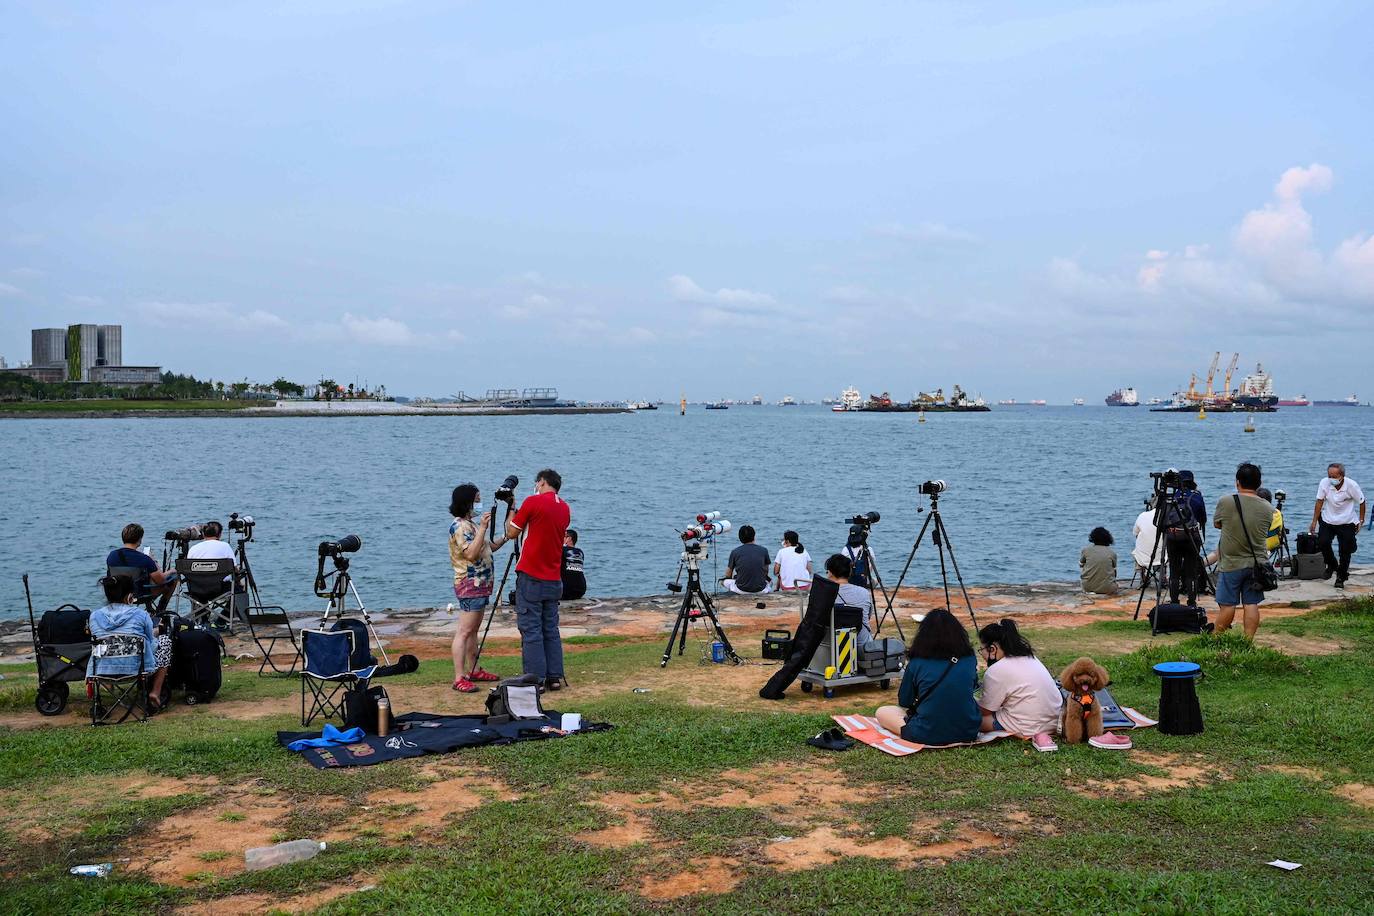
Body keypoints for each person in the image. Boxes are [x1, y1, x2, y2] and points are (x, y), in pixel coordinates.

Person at [506, 468, 571, 690]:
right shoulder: (564, 508)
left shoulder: (533, 502)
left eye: (537, 483)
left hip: (531, 575)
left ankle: (535, 679)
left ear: (542, 482)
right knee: (550, 628)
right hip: (554, 577)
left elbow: (512, 532)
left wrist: (512, 510)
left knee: (531, 628)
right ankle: (554, 676)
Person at [875, 608, 980, 746]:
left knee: (882, 711)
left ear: (923, 635)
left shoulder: (917, 662)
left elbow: (905, 701)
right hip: (968, 732)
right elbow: (971, 688)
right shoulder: (969, 658)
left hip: (925, 734)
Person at [448, 483, 510, 693]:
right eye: (476, 499)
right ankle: (459, 677)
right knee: (464, 631)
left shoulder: (471, 525)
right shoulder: (460, 527)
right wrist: (483, 527)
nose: (479, 502)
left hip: (481, 584)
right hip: (470, 583)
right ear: (466, 502)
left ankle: (474, 669)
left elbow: (487, 547)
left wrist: (506, 537)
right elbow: (471, 554)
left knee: (473, 630)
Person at [1212, 462, 1276, 639]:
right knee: (1251, 603)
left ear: (1237, 482)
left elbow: (1217, 524)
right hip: (1257, 564)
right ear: (1259, 483)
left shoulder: (1226, 501)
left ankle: (1216, 639)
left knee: (1227, 605)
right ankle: (1247, 641)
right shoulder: (1268, 508)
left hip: (1231, 562)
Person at [87, 574, 168, 711]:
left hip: (102, 671)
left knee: (106, 646)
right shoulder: (140, 615)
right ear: (130, 596)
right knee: (165, 641)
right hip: (137, 670)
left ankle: (105, 691)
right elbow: (150, 642)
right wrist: (157, 631)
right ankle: (155, 691)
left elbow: (98, 641)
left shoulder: (94, 616)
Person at [1309, 463, 1366, 589]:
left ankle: (1341, 577)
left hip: (1347, 521)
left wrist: (1361, 520)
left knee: (1345, 551)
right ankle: (1332, 564)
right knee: (1322, 542)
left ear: (1342, 476)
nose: (1331, 479)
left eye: (1334, 476)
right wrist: (1314, 521)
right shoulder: (1324, 483)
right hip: (1328, 519)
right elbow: (1319, 501)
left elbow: (1362, 502)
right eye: (1329, 475)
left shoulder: (1351, 485)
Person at [106, 523, 178, 613]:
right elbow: (161, 580)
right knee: (173, 579)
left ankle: (150, 608)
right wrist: (155, 562)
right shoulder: (144, 559)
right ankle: (160, 610)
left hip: (118, 594)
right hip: (140, 595)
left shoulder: (112, 556)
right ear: (139, 540)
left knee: (145, 578)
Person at [1163, 474, 1204, 607]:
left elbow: (1163, 519)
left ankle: (1174, 601)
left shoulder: (1171, 496)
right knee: (1191, 571)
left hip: (1173, 537)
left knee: (1174, 571)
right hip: (1191, 536)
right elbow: (1202, 518)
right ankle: (1191, 602)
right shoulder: (1196, 496)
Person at [824, 553, 875, 643]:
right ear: (850, 573)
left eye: (827, 572)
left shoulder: (823, 593)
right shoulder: (864, 592)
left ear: (831, 573)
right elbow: (867, 616)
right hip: (861, 645)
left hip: (832, 646)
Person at [723, 525, 772, 594]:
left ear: (740, 538)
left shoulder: (735, 552)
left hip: (741, 590)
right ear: (754, 536)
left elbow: (728, 573)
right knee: (770, 582)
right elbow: (766, 571)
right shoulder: (764, 550)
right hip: (761, 590)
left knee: (724, 582)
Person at [187, 520, 237, 584]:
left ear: (203, 534)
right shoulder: (225, 546)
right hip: (221, 588)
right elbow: (234, 568)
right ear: (220, 534)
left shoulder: (193, 548)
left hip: (197, 588)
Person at [1079, 527, 1119, 595]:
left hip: (1087, 587)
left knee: (1084, 565)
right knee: (1112, 569)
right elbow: (1114, 569)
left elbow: (1081, 564)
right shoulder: (1112, 553)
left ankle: (1090, 583)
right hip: (1108, 588)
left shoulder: (1086, 550)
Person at [1131, 497, 1163, 583]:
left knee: (1139, 548)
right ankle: (1163, 577)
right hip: (1162, 556)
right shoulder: (1166, 516)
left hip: (1143, 556)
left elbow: (1135, 533)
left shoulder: (1142, 515)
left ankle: (1143, 576)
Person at [561, 530, 586, 600]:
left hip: (566, 591)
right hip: (580, 590)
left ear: (569, 538)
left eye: (563, 537)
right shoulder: (580, 552)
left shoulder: (561, 550)